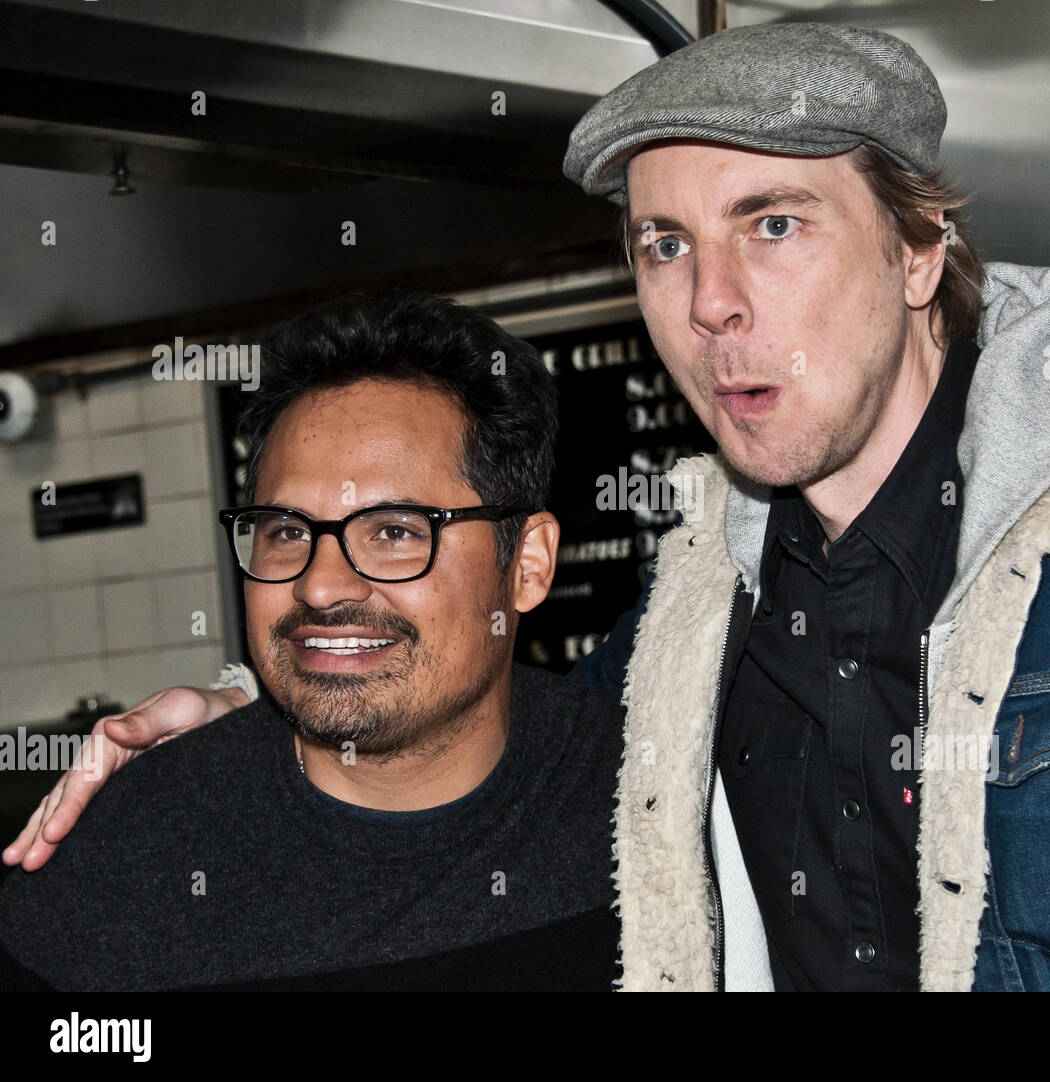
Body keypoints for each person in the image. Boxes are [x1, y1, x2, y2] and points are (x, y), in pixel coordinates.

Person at [9, 23, 1050, 993]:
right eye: (663, 244)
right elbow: (470, 693)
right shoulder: (694, 620)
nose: (710, 302)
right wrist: (248, 701)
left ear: (920, 251)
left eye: (774, 224)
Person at [0, 291, 623, 990]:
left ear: (528, 565)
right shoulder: (120, 872)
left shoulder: (665, 805)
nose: (321, 588)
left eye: (394, 531)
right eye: (288, 532)